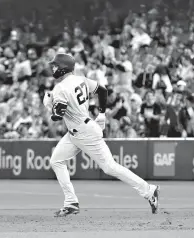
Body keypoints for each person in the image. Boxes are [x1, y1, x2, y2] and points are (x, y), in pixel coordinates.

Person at [43, 53, 159, 217]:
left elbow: (57, 117)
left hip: (84, 133)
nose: (53, 68)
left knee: (110, 167)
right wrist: (102, 113)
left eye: (55, 65)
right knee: (56, 160)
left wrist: (48, 104)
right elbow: (103, 90)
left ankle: (148, 190)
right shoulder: (80, 79)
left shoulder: (60, 88)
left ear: (63, 68)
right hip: (77, 131)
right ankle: (71, 202)